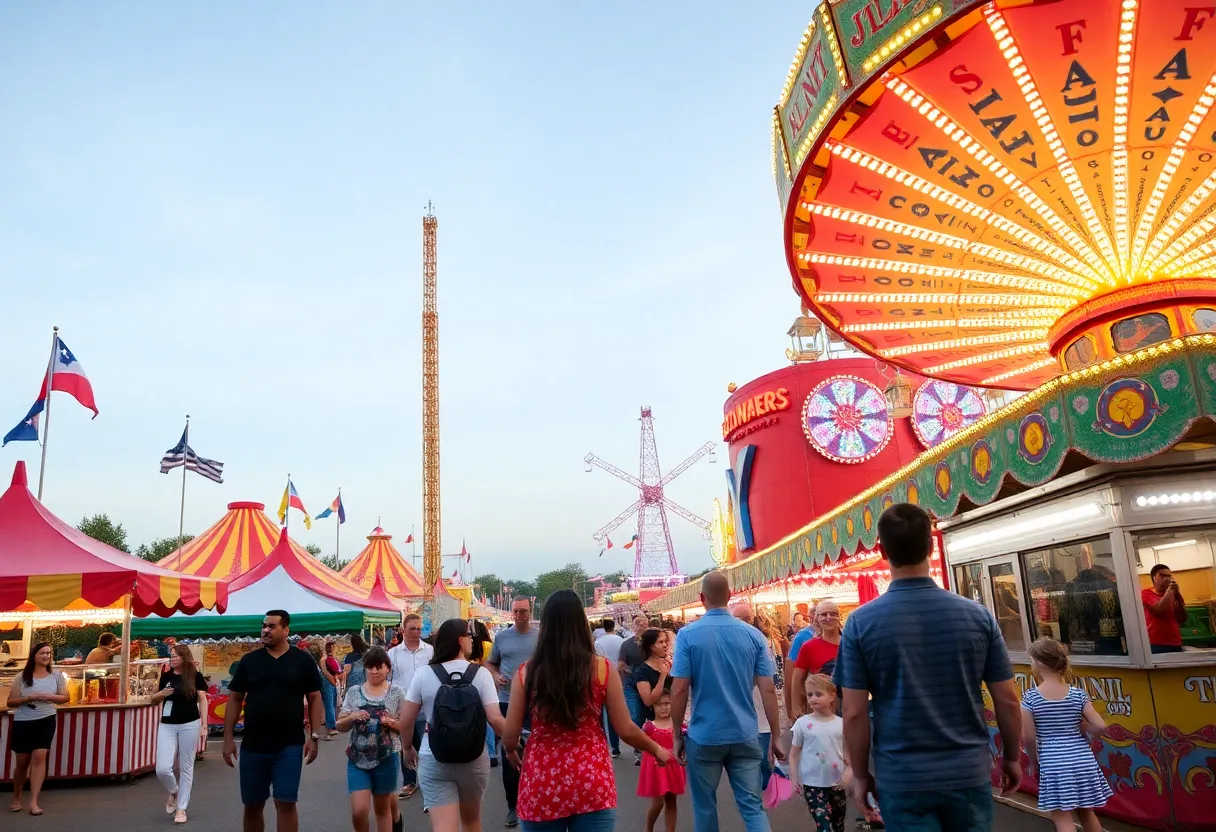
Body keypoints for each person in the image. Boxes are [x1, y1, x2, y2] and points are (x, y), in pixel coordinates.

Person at [836, 504, 1023, 830]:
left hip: (902, 777)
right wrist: (1011, 757)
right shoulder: (977, 616)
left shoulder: (860, 624)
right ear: (932, 546)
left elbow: (853, 712)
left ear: (882, 550)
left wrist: (862, 775)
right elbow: (1007, 700)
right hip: (967, 771)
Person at [503, 590, 670, 832]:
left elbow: (510, 734)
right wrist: (656, 749)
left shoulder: (526, 672)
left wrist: (510, 750)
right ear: (581, 623)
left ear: (546, 625)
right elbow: (625, 728)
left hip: (542, 782)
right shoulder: (602, 669)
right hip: (591, 779)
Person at [670, 572, 783, 832]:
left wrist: (676, 735)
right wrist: (775, 735)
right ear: (729, 596)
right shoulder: (754, 636)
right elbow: (767, 689)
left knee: (705, 806)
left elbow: (678, 690)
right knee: (752, 807)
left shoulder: (687, 635)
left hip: (705, 734)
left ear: (701, 598)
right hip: (745, 732)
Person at [223, 610, 324, 832]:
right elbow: (235, 698)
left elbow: (315, 697)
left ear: (286, 630)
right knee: (252, 805)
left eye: (271, 626)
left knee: (286, 803)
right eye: (264, 626)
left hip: (289, 745)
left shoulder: (302, 661)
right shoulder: (249, 661)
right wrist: (228, 738)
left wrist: (315, 736)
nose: (265, 630)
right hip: (253, 745)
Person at [400, 619, 506, 832]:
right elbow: (495, 719)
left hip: (434, 756)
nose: (471, 641)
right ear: (460, 640)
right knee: (471, 821)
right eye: (469, 636)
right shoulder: (481, 675)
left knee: (444, 827)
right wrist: (513, 744)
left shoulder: (424, 674)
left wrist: (407, 747)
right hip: (473, 758)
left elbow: (406, 720)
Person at [1021, 638, 1111, 832]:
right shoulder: (1078, 694)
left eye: (1031, 660)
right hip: (1083, 761)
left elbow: (1028, 737)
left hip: (1054, 764)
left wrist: (1033, 761)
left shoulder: (1031, 697)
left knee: (1063, 819)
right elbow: (1100, 726)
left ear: (1040, 664)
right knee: (1087, 813)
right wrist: (1086, 730)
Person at [338, 646, 406, 832]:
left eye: (378, 667)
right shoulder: (353, 692)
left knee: (382, 810)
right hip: (357, 759)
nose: (374, 671)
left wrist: (391, 722)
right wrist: (352, 717)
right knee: (359, 811)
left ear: (387, 668)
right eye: (370, 667)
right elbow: (340, 725)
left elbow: (406, 726)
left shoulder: (397, 692)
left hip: (387, 757)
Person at [485, 596, 539, 827]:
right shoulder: (502, 637)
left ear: (530, 611)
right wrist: (497, 677)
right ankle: (513, 805)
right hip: (507, 700)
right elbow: (490, 664)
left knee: (537, 753)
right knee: (511, 752)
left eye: (523, 612)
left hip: (537, 702)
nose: (519, 616)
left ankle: (536, 799)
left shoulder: (540, 636)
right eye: (516, 612)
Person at [6, 641, 68, 816]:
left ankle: (34, 801)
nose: (46, 656)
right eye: (42, 653)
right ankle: (17, 796)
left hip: (46, 719)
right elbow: (10, 701)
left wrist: (51, 697)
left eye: (49, 653)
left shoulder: (57, 676)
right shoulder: (22, 677)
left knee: (40, 757)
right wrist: (28, 698)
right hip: (23, 721)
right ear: (34, 655)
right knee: (22, 761)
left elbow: (65, 697)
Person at [151, 644, 209, 824]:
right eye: (171, 655)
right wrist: (162, 693)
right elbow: (153, 700)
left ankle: (182, 808)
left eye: (175, 656)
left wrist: (204, 724)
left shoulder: (195, 676)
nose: (172, 658)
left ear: (184, 657)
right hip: (167, 724)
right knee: (162, 768)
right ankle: (174, 791)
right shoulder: (166, 676)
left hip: (190, 723)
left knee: (186, 767)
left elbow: (203, 699)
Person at [789, 674, 849, 832]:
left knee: (838, 825)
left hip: (837, 784)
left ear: (831, 695)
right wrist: (794, 778)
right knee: (824, 827)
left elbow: (849, 755)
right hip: (813, 785)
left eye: (818, 694)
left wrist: (850, 772)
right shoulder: (802, 724)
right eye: (809, 694)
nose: (813, 698)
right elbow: (794, 754)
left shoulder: (841, 724)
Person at [729, 602, 776, 791]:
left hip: (760, 712)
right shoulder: (724, 644)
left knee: (763, 758)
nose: (745, 623)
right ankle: (751, 793)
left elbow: (768, 682)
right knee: (744, 762)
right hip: (736, 715)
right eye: (740, 619)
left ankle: (763, 789)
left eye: (748, 618)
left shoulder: (760, 641)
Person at [388, 614, 434, 800]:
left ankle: (428, 780)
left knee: (425, 745)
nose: (416, 632)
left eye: (419, 629)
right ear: (403, 630)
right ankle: (409, 781)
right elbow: (389, 681)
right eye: (412, 628)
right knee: (405, 746)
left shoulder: (430, 651)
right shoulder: (392, 653)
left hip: (425, 708)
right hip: (403, 708)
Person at [638, 689, 685, 832]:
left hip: (673, 768)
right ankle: (648, 829)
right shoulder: (648, 727)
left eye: (667, 703)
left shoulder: (678, 725)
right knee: (657, 803)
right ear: (652, 706)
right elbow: (641, 744)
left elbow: (684, 743)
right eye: (659, 704)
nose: (664, 707)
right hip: (656, 769)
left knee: (671, 801)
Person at [790, 601, 842, 717]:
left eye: (833, 614)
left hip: (848, 706)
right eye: (823, 614)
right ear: (817, 618)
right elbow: (796, 679)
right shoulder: (809, 646)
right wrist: (796, 706)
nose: (828, 618)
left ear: (839, 617)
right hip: (820, 710)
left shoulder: (850, 644)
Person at [619, 613, 651, 765]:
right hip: (631, 686)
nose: (641, 626)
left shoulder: (653, 643)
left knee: (652, 716)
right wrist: (630, 672)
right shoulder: (626, 644)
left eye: (643, 623)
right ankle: (639, 750)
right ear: (633, 626)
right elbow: (621, 664)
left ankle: (652, 747)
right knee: (636, 716)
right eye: (638, 623)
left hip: (650, 684)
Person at [593, 618, 626, 758]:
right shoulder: (621, 640)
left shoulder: (598, 643)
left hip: (604, 678)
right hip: (620, 677)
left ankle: (614, 746)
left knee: (606, 713)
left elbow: (599, 661)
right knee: (619, 711)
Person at [1142, 563, 1188, 653]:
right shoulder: (1146, 593)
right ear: (1154, 577)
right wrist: (1170, 590)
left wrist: (1177, 596)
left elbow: (1183, 619)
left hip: (1176, 643)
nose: (1167, 579)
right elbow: (1158, 611)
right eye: (1162, 576)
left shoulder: (1173, 594)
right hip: (1156, 644)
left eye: (1168, 576)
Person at [470, 621, 498, 765]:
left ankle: (490, 752)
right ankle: (492, 752)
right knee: (488, 719)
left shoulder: (475, 646)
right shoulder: (489, 645)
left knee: (482, 719)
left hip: (475, 682)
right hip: (489, 682)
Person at [784, 604, 817, 722]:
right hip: (810, 694)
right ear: (812, 616)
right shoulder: (803, 636)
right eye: (822, 614)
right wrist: (792, 706)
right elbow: (791, 668)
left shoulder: (837, 634)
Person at [321, 639, 343, 739]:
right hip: (328, 682)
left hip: (332, 682)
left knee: (333, 703)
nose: (332, 648)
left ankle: (332, 724)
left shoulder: (332, 658)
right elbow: (326, 672)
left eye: (333, 646)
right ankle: (331, 727)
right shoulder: (324, 659)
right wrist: (333, 680)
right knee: (330, 704)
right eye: (331, 646)